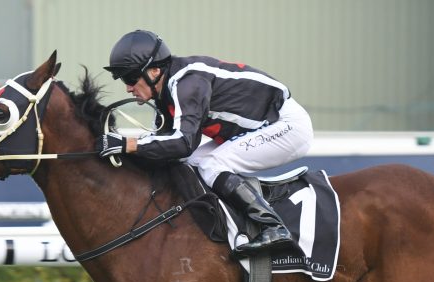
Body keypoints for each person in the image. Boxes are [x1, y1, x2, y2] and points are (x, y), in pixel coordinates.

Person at [97, 29, 314, 256]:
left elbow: (183, 143)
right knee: (190, 164)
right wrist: (124, 150)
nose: (128, 88)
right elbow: (169, 150)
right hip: (262, 127)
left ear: (154, 71)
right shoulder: (166, 92)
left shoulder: (187, 84)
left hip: (287, 126)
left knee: (212, 164)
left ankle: (273, 227)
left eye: (131, 78)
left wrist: (128, 144)